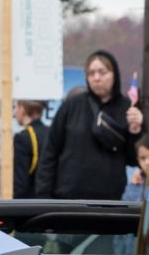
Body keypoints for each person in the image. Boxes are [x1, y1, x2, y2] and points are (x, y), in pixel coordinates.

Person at [42, 50, 143, 200]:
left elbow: (133, 159)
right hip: (69, 197)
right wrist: (44, 197)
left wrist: (136, 131)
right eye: (91, 73)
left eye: (102, 72)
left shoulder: (127, 109)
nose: (96, 78)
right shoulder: (72, 105)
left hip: (110, 199)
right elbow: (50, 152)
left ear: (114, 74)